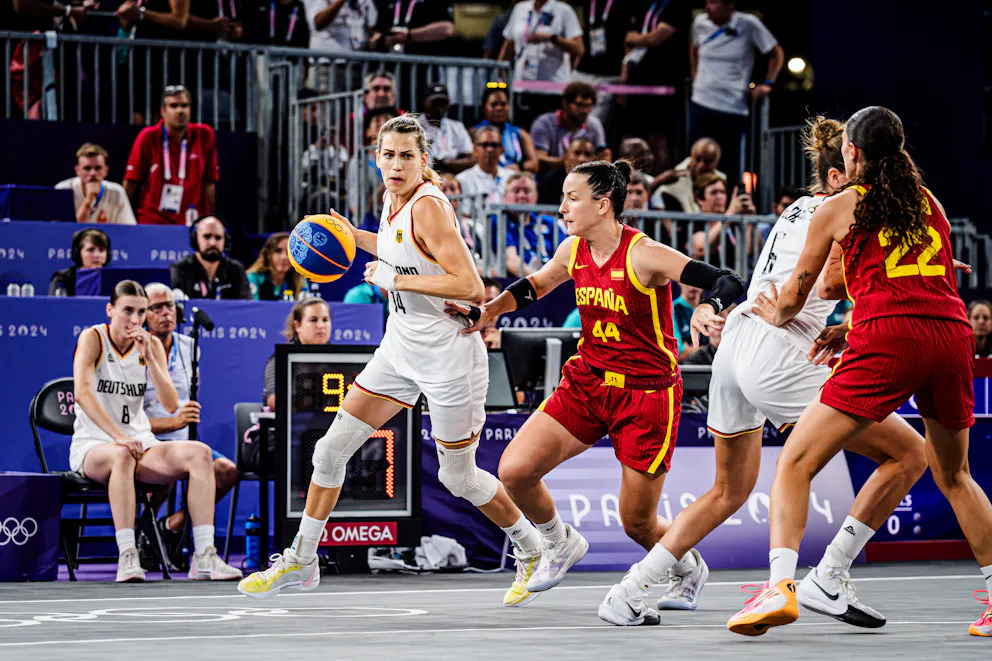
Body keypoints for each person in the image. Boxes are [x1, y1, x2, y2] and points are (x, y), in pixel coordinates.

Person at [605, 115, 929, 628]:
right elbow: (827, 285)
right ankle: (828, 575)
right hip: (782, 350)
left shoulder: (796, 208)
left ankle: (629, 590)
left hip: (736, 344)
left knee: (728, 490)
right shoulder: (844, 209)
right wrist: (907, 275)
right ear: (839, 175)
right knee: (910, 452)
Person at [240, 115, 547, 610]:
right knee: (328, 451)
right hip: (401, 348)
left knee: (458, 477)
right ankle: (302, 559)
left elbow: (469, 286)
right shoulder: (391, 199)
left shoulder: (429, 207)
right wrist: (350, 237)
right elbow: (398, 250)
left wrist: (393, 279)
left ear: (424, 161)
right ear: (376, 158)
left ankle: (533, 548)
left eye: (407, 155)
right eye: (389, 154)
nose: (397, 163)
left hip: (449, 358)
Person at [725, 106, 992, 638]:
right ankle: (832, 574)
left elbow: (802, 298)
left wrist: (766, 309)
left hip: (891, 340)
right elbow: (916, 277)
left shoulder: (840, 205)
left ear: (851, 153)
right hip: (950, 336)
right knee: (954, 474)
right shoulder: (928, 202)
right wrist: (851, 326)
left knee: (796, 462)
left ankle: (780, 587)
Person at [454, 159, 746, 625]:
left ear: (602, 204)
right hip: (589, 380)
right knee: (515, 469)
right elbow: (536, 285)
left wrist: (708, 307)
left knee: (637, 524)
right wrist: (488, 311)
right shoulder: (574, 250)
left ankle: (687, 567)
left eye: (572, 198)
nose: (563, 207)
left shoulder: (643, 254)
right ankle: (558, 540)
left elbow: (727, 279)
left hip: (646, 395)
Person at [69, 280, 242, 582]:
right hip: (94, 445)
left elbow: (171, 403)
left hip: (140, 443)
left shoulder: (150, 345)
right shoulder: (93, 338)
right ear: (110, 310)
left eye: (139, 312)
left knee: (199, 454)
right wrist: (120, 436)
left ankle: (204, 555)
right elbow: (83, 393)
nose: (134, 319)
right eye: (127, 311)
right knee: (122, 455)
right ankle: (128, 555)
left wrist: (150, 357)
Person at [142, 283, 239, 542]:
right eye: (157, 308)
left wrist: (181, 424)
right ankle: (144, 529)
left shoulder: (189, 346)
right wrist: (172, 422)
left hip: (183, 440)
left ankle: (170, 526)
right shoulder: (134, 351)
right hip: (149, 440)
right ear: (143, 314)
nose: (166, 313)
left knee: (227, 470)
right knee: (167, 474)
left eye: (170, 306)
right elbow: (129, 420)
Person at [688, 0, 783, 186]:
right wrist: (696, 77)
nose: (707, 8)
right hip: (701, 102)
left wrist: (768, 84)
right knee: (696, 161)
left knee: (728, 167)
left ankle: (728, 211)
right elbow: (693, 48)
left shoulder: (748, 24)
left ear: (729, 5)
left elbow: (776, 53)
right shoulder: (700, 22)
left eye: (713, 3)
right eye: (706, 2)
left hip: (733, 107)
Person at [124, 85, 218, 226]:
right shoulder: (148, 137)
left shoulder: (205, 135)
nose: (180, 111)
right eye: (174, 106)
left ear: (190, 109)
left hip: (191, 221)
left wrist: (211, 219)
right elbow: (131, 182)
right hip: (153, 221)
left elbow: (209, 182)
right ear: (163, 111)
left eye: (184, 105)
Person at [570, 0, 636, 126]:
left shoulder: (626, 4)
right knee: (572, 117)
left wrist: (624, 75)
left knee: (592, 122)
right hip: (583, 70)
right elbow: (584, 28)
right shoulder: (589, 3)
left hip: (610, 73)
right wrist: (578, 59)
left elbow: (629, 41)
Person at [263, 298, 332, 410]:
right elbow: (275, 401)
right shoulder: (279, 359)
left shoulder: (340, 359)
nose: (321, 325)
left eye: (325, 320)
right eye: (313, 320)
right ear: (297, 326)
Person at [530, 82, 609, 173]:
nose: (585, 111)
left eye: (588, 106)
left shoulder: (594, 124)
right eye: (579, 105)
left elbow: (604, 156)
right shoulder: (544, 123)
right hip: (552, 175)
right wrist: (565, 161)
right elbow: (538, 158)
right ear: (565, 103)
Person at [494, 172, 563, 276]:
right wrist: (543, 282)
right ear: (505, 196)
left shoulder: (548, 222)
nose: (521, 195)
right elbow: (511, 261)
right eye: (516, 191)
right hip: (520, 284)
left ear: (536, 196)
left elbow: (566, 258)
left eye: (526, 191)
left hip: (554, 281)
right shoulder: (500, 220)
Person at [498, 0, 583, 83]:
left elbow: (579, 49)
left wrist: (551, 38)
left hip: (553, 85)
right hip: (521, 84)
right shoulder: (520, 8)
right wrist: (499, 81)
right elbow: (507, 49)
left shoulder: (563, 10)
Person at [170, 216, 251, 299]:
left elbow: (247, 306)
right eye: (207, 236)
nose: (213, 243)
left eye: (218, 238)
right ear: (195, 239)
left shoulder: (236, 269)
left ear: (225, 241)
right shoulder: (181, 269)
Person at [56, 143, 136, 225]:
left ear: (106, 170)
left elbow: (128, 228)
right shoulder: (63, 190)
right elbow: (62, 229)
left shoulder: (117, 192)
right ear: (77, 171)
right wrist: (88, 201)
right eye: (87, 168)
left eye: (98, 168)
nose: (93, 173)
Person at [456, 125, 515, 224]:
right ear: (475, 149)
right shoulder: (462, 179)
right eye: (484, 145)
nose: (490, 149)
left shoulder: (512, 177)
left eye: (494, 145)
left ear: (502, 150)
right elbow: (464, 215)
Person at [474, 86, 539, 173]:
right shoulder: (474, 133)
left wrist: (519, 166)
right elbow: (471, 161)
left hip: (515, 178)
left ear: (509, 106)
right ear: (484, 108)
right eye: (494, 104)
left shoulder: (520, 133)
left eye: (503, 104)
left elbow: (535, 164)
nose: (499, 108)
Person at [650, 137, 724, 214]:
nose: (701, 165)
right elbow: (654, 198)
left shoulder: (720, 181)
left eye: (707, 161)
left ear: (716, 162)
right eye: (698, 159)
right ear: (692, 156)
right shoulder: (675, 177)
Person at [418, 83, 474, 173]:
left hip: (452, 176)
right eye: (435, 102)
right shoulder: (415, 126)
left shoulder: (456, 126)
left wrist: (446, 162)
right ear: (425, 103)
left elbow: (471, 159)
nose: (438, 107)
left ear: (448, 104)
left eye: (442, 102)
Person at [370, 0, 455, 57]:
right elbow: (374, 28)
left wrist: (409, 35)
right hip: (389, 67)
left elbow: (447, 29)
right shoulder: (385, 2)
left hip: (424, 66)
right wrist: (378, 38)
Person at [247, 232, 309, 301]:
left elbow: (306, 308)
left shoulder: (299, 279)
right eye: (278, 251)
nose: (284, 257)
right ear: (268, 255)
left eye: (288, 252)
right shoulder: (254, 277)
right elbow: (253, 307)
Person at [48, 228, 110, 297]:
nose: (97, 255)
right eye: (91, 250)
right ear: (78, 253)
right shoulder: (62, 278)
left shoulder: (113, 276)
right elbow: (55, 305)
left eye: (101, 250)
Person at [537, 136, 596, 205]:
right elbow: (545, 213)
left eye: (587, 154)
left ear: (594, 160)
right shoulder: (550, 181)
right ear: (566, 157)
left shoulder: (600, 184)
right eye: (577, 153)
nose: (582, 159)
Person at [303, 0, 377, 52]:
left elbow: (370, 25)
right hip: (328, 62)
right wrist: (340, 2)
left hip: (358, 62)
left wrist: (375, 37)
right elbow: (318, 24)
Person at [671, 284, 707, 359]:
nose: (693, 285)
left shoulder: (712, 309)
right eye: (688, 280)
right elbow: (677, 353)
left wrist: (690, 350)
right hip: (684, 369)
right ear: (678, 280)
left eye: (698, 280)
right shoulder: (672, 309)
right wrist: (707, 348)